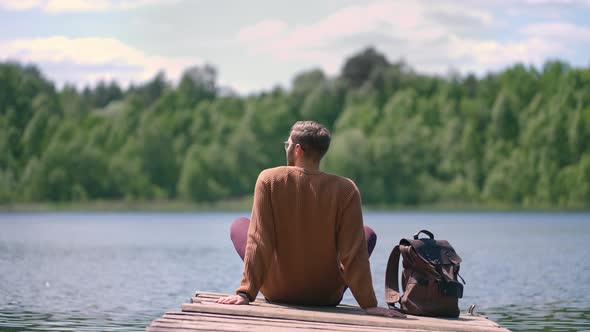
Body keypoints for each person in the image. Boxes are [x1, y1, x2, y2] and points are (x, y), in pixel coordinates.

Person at [216, 121, 404, 318]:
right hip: (325, 295)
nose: (286, 148)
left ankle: (255, 285)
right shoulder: (346, 189)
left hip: (278, 291)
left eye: (287, 144)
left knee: (240, 225)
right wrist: (369, 304)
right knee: (366, 234)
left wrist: (245, 293)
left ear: (297, 149)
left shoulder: (269, 179)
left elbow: (259, 241)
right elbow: (353, 253)